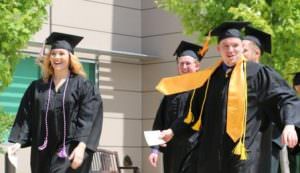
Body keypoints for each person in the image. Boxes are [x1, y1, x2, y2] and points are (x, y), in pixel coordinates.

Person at [156, 21, 300, 173]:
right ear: (218, 49)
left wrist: (289, 124)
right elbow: (192, 114)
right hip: (213, 157)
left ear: (242, 47)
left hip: (246, 156)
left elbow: (285, 97)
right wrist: (172, 131)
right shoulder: (209, 78)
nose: (231, 50)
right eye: (226, 46)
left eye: (235, 46)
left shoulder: (257, 73)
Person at [7, 32, 103, 173]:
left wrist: (82, 146)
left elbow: (89, 118)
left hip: (70, 149)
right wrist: (18, 141)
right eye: (53, 54)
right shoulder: (38, 87)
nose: (57, 57)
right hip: (42, 149)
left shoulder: (84, 86)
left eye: (61, 53)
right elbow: (27, 115)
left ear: (70, 57)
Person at [148, 41, 205, 173]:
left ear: (197, 66)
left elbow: (193, 117)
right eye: (181, 63)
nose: (184, 67)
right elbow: (159, 120)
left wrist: (173, 131)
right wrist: (154, 149)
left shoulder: (202, 89)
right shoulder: (171, 90)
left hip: (194, 149)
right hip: (172, 151)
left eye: (188, 63)